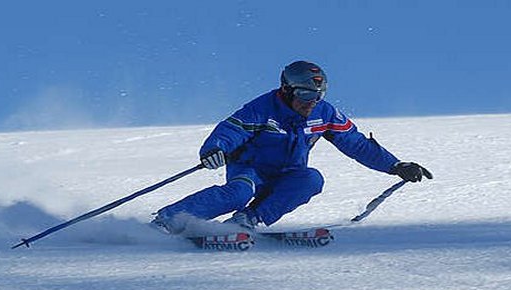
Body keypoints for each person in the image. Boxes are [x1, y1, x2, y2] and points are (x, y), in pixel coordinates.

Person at [152, 60, 432, 234]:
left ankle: (247, 221)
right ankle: (167, 221)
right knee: (237, 192)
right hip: (251, 171)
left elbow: (356, 143)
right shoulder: (263, 108)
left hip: (289, 174)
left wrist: (395, 165)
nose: (312, 100)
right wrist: (215, 149)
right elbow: (231, 130)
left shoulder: (325, 113)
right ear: (287, 89)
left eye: (318, 94)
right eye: (306, 93)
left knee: (311, 179)